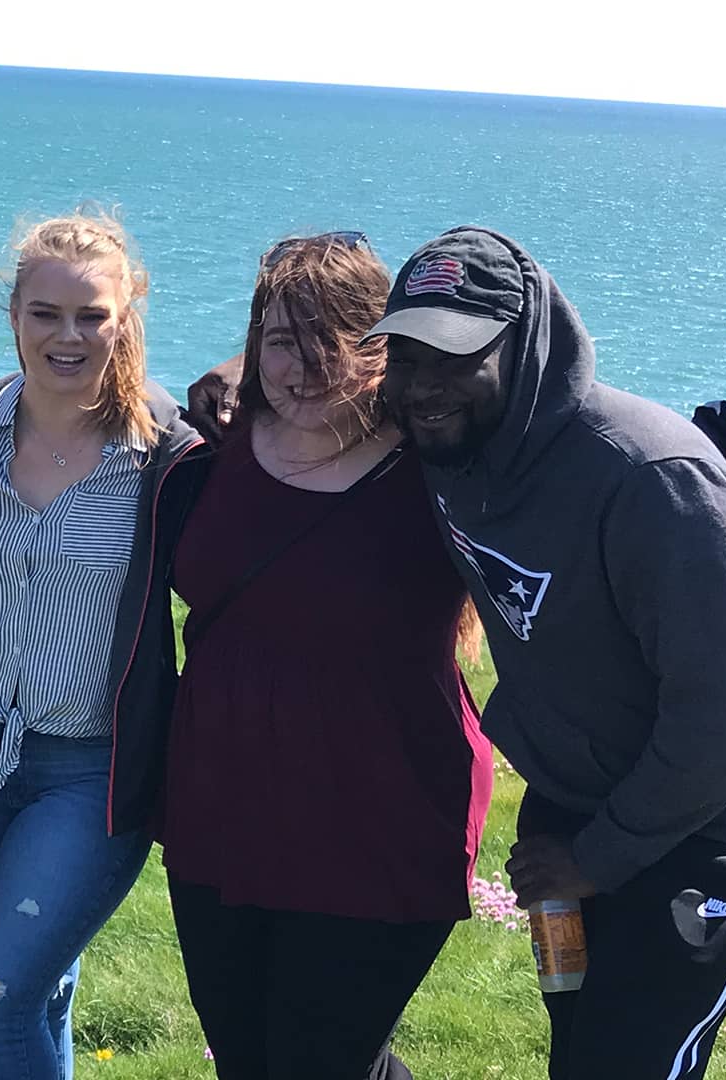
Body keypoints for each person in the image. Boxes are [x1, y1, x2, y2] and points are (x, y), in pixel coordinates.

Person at [364, 226, 726, 1079]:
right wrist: (231, 393)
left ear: (524, 349)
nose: (421, 387)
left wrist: (597, 859)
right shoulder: (456, 450)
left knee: (631, 1065)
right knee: (581, 1053)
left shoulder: (649, 476)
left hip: (714, 829)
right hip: (574, 812)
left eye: (452, 358)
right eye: (404, 357)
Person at [158, 232, 493, 1079]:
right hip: (221, 812)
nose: (305, 366)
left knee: (321, 1060)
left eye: (333, 340)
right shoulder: (217, 449)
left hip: (380, 820)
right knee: (249, 1058)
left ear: (381, 348)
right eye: (281, 340)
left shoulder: (438, 467)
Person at [0, 211, 208, 1078]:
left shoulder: (170, 456)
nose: (69, 336)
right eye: (47, 313)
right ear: (14, 315)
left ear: (128, 317)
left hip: (94, 775)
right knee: (36, 988)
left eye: (93, 316)